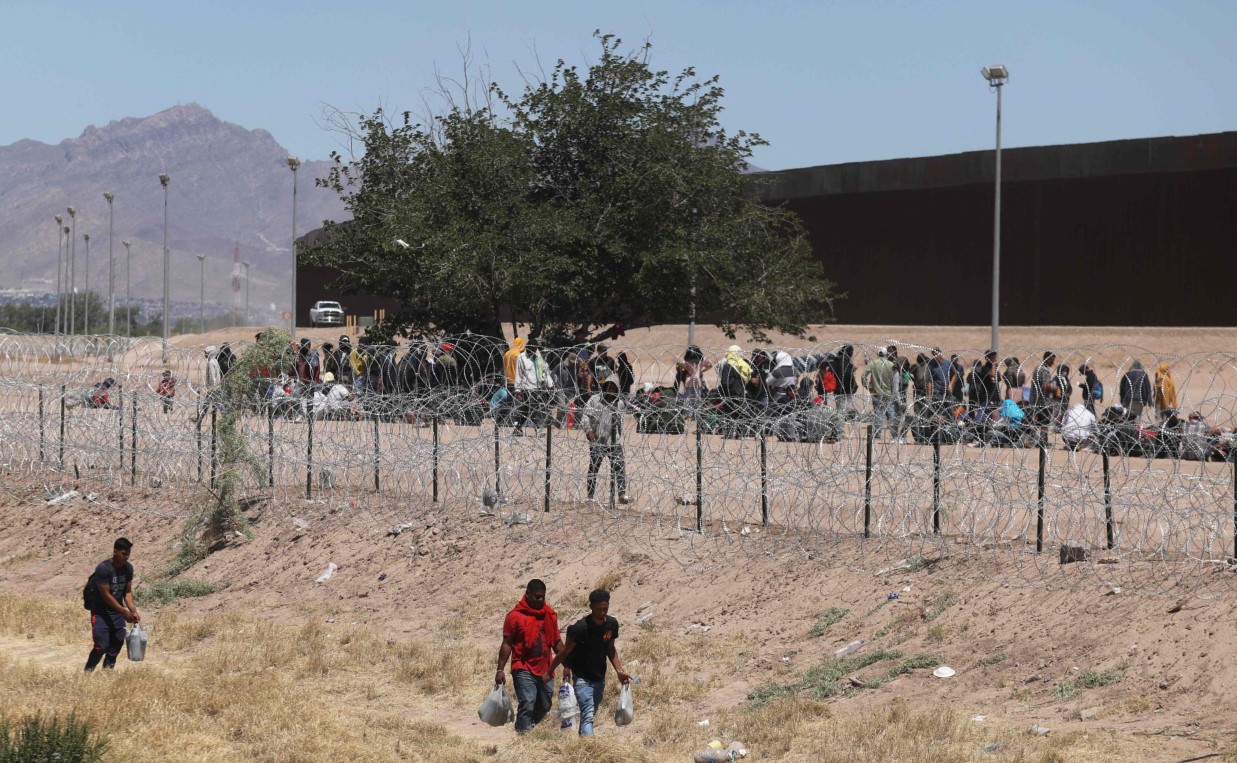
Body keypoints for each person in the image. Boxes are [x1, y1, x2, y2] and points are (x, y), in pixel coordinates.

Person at [546, 589, 632, 737]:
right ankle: (590, 748)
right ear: (591, 607)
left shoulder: (611, 624)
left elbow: (610, 649)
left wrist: (619, 671)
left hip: (599, 677)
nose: (602, 613)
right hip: (582, 678)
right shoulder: (580, 628)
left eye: (605, 609)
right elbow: (565, 652)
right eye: (599, 609)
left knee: (590, 714)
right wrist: (550, 671)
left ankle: (582, 743)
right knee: (587, 712)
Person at [496, 579, 563, 734]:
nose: (540, 600)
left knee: (545, 705)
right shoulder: (515, 616)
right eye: (536, 597)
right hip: (523, 666)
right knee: (528, 701)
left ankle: (527, 725)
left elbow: (557, 642)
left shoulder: (550, 614)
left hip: (546, 668)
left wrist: (568, 663)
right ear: (527, 594)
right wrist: (500, 670)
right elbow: (507, 643)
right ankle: (523, 736)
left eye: (542, 597)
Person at [85, 537, 140, 671]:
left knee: (118, 641)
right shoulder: (103, 568)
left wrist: (133, 610)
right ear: (115, 551)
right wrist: (124, 611)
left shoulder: (128, 569)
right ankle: (88, 671)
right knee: (101, 645)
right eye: (123, 553)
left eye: (128, 554)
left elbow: (127, 592)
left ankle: (107, 672)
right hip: (100, 613)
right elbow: (106, 595)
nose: (126, 557)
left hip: (117, 613)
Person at [583, 380, 631, 504]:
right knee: (594, 468)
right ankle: (590, 496)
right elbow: (585, 415)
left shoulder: (619, 403)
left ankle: (622, 494)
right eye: (608, 386)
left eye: (613, 387)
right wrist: (588, 430)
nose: (610, 390)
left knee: (619, 467)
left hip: (614, 442)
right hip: (598, 440)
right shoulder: (595, 400)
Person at [861, 347, 897, 441]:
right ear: (886, 354)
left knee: (878, 413)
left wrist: (867, 386)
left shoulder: (873, 363)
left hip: (876, 392)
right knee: (891, 413)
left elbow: (863, 375)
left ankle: (877, 434)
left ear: (878, 354)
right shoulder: (890, 364)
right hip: (888, 392)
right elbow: (895, 379)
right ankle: (894, 434)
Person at [676, 345, 712, 410]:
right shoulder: (702, 359)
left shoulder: (686, 360)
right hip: (698, 380)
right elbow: (710, 365)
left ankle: (688, 413)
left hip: (689, 380)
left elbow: (681, 364)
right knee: (697, 398)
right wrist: (702, 370)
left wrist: (687, 368)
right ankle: (696, 413)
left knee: (688, 398)